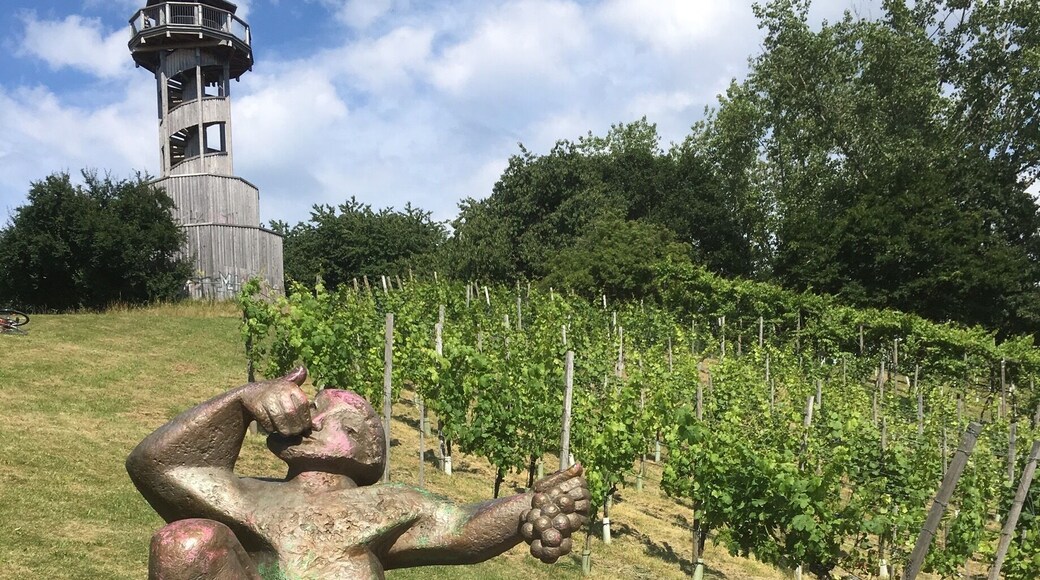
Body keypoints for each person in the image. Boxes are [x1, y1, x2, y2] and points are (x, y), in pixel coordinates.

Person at [126, 367, 589, 579]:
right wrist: (241, 400)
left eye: (329, 416)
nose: (309, 416)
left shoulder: (390, 502)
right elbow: (155, 464)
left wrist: (530, 504)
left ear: (368, 446)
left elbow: (462, 528)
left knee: (340, 570)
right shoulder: (246, 494)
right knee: (185, 541)